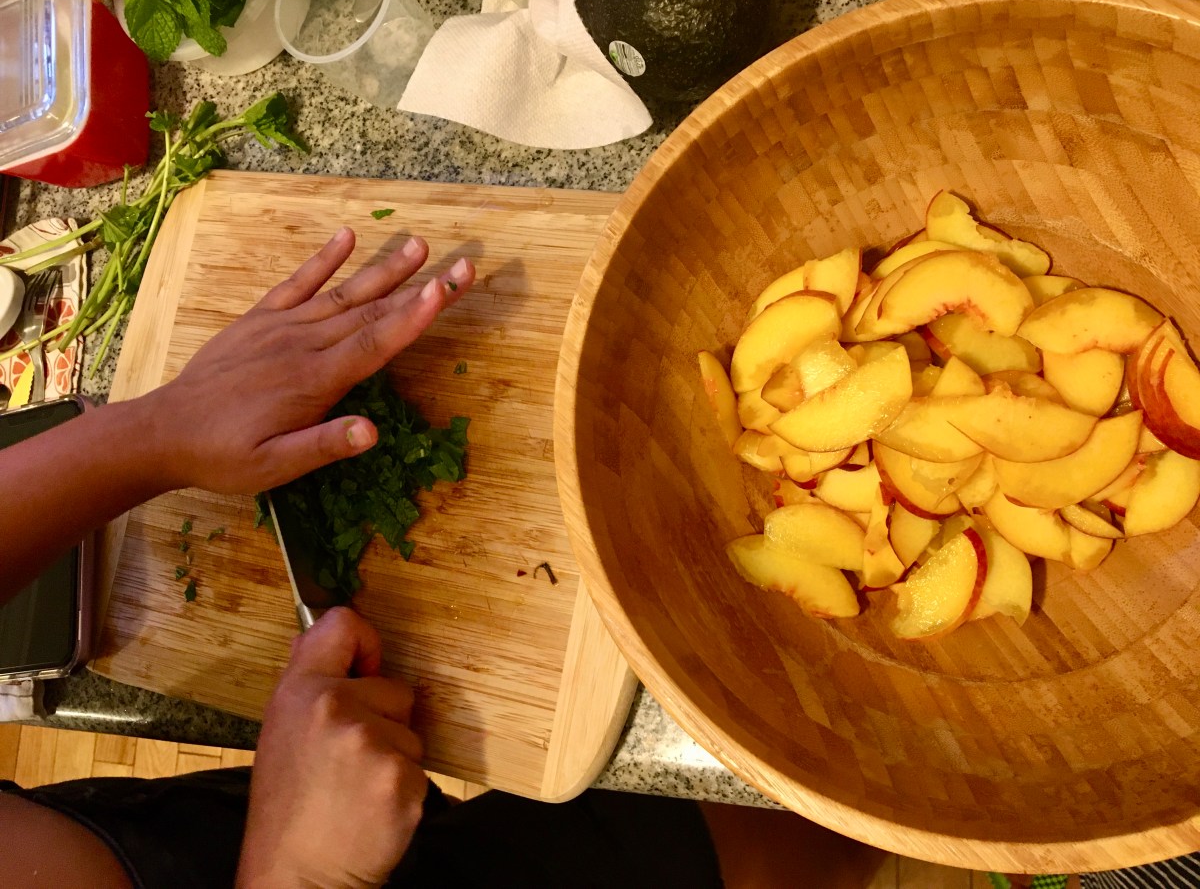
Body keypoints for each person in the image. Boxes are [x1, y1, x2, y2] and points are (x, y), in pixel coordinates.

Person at [0, 229, 886, 888]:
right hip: (297, 855)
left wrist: (149, 433)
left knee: (770, 843)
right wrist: (300, 875)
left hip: (210, 835)